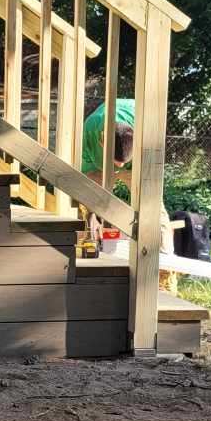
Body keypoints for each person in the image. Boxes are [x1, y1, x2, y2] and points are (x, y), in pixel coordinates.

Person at [80, 98, 176, 292]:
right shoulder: (90, 132)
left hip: (141, 160)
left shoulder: (146, 124)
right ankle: (92, 257)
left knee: (153, 209)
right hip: (97, 164)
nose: (120, 167)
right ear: (102, 140)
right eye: (117, 161)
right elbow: (85, 181)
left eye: (123, 162)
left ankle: (164, 273)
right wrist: (92, 210)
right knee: (87, 204)